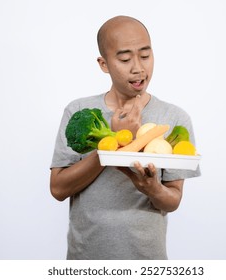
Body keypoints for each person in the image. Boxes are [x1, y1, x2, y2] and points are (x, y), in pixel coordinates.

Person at [50, 15, 201, 260]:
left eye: (145, 55)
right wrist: (114, 144)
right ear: (104, 64)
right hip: (85, 258)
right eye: (124, 58)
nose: (138, 68)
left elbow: (173, 200)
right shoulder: (78, 111)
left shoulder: (173, 117)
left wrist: (153, 189)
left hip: (146, 259)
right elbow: (58, 189)